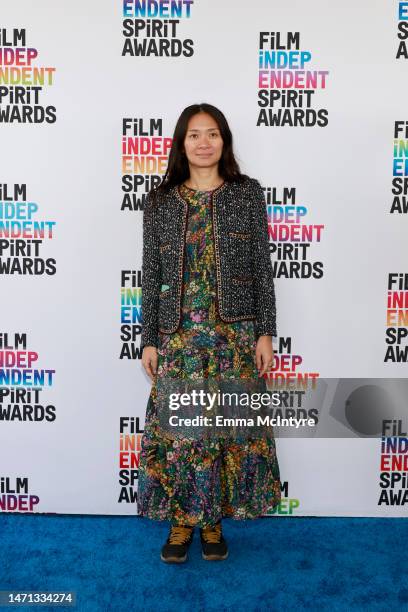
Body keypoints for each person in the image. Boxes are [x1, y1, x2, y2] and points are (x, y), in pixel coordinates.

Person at [138, 103, 281, 563]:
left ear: (224, 141)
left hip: (234, 335)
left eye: (213, 134)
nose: (204, 142)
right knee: (182, 433)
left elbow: (262, 268)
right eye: (195, 135)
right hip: (178, 336)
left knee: (223, 430)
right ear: (181, 143)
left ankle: (214, 522)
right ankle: (182, 522)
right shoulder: (159, 202)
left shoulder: (246, 194)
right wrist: (149, 337)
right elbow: (152, 271)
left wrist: (265, 332)